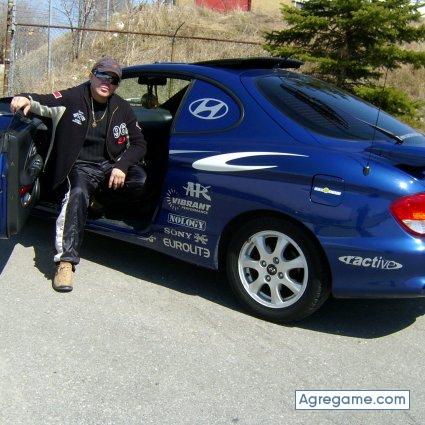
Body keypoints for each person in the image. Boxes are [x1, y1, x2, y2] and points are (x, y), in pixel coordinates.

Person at [10, 57, 147, 293]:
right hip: (80, 167)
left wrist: (122, 165)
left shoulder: (122, 107)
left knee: (140, 180)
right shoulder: (72, 98)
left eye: (114, 79)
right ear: (92, 75)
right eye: (103, 75)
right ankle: (65, 262)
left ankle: (98, 201)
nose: (107, 82)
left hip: (109, 166)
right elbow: (44, 101)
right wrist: (25, 98)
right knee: (77, 194)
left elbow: (139, 144)